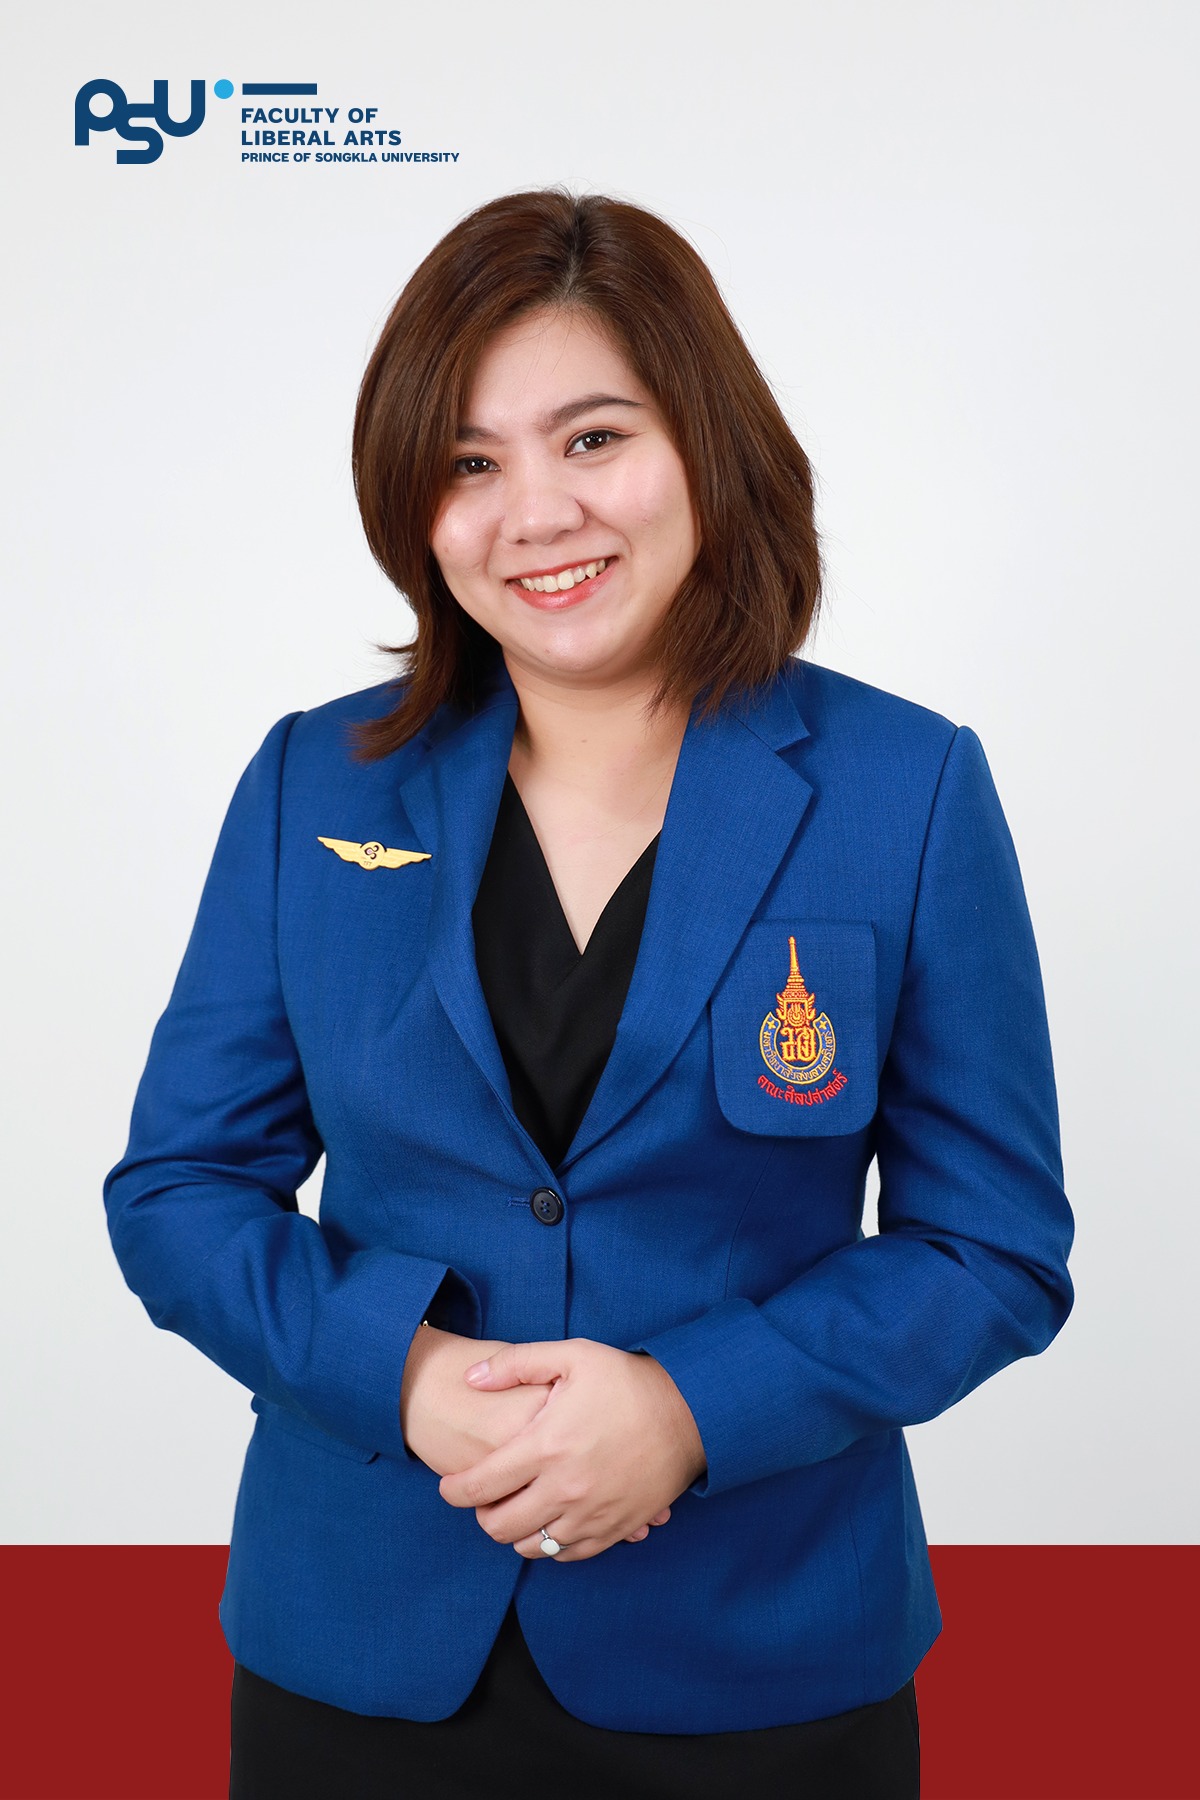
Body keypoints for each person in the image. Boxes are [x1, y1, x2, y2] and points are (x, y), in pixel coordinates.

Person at [104, 188, 1074, 1799]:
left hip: (762, 1658)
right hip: (360, 1650)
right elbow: (179, 1189)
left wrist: (693, 1412)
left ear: (706, 445)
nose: (536, 514)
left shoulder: (907, 789)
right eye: (470, 464)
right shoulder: (311, 783)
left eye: (593, 439)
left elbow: (992, 1250)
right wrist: (402, 1374)